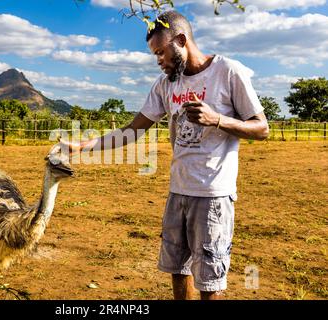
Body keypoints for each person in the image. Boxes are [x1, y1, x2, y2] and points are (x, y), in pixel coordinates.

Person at [61, 10, 269, 300]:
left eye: (161, 53)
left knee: (210, 280)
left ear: (181, 40)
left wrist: (217, 119)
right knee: (178, 270)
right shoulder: (166, 85)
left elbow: (262, 128)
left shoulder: (227, 72)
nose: (159, 61)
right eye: (155, 55)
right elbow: (133, 129)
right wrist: (83, 146)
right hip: (177, 192)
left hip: (212, 195)